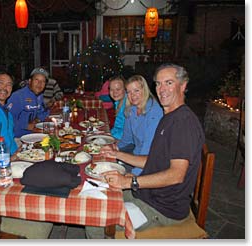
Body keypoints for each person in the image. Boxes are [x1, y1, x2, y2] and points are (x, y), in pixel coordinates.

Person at [86, 63, 205, 238]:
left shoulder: (183, 123)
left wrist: (131, 181)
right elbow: (153, 159)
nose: (162, 89)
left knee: (95, 218)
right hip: (147, 194)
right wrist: (116, 154)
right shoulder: (168, 117)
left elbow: (176, 175)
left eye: (169, 83)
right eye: (158, 83)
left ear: (183, 85)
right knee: (97, 194)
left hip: (163, 208)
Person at [117, 75, 163, 175]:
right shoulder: (131, 109)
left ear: (144, 90)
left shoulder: (154, 112)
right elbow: (127, 138)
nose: (132, 95)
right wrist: (114, 147)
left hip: (151, 163)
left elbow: (148, 151)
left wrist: (134, 175)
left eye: (136, 90)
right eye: (129, 92)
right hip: (136, 155)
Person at [7, 67, 50, 137]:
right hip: (17, 138)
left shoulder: (39, 96)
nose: (40, 84)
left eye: (43, 81)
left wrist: (38, 119)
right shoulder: (18, 96)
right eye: (36, 80)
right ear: (30, 81)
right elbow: (7, 119)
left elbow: (42, 112)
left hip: (32, 135)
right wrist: (26, 126)